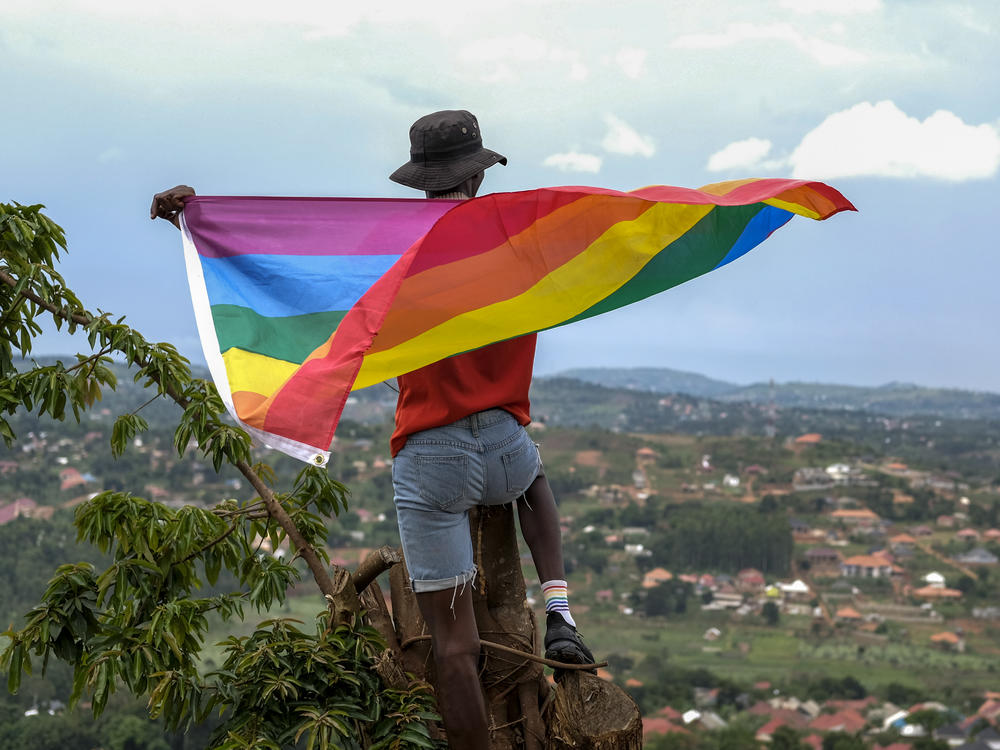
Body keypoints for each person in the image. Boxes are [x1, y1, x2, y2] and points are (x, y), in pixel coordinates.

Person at [149, 109, 594, 750]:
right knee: (535, 481)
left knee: (453, 649)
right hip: (504, 445)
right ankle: (558, 610)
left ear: (421, 181)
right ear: (479, 173)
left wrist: (194, 220)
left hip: (433, 460)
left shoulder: (398, 253)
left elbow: (294, 273)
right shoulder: (512, 240)